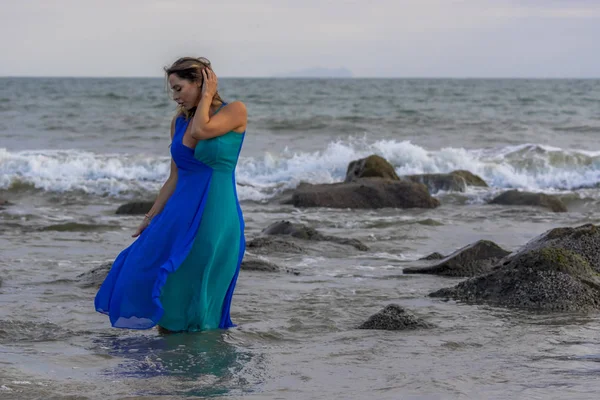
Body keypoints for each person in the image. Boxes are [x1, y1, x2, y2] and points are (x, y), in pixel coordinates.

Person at [95, 57, 248, 333]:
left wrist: (208, 96)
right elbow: (174, 177)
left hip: (215, 212)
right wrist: (150, 217)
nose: (175, 97)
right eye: (172, 90)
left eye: (179, 89)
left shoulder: (234, 111)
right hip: (177, 213)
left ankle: (202, 364)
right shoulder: (179, 122)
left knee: (198, 286)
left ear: (200, 82)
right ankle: (172, 363)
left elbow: (202, 130)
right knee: (151, 274)